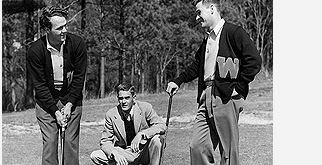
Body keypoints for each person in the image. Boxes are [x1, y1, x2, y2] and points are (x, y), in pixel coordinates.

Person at [166, 0, 262, 165]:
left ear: (211, 9)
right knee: (197, 146)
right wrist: (178, 80)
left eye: (199, 12)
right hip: (206, 96)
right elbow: (197, 65)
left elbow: (254, 61)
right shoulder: (208, 39)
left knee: (228, 151)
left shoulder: (234, 32)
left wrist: (238, 87)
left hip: (227, 96)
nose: (197, 18)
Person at [26, 6, 87, 165]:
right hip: (46, 102)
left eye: (66, 25)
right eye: (59, 28)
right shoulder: (35, 51)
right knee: (51, 143)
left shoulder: (77, 44)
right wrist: (55, 111)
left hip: (71, 98)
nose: (64, 30)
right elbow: (40, 86)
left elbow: (79, 77)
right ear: (47, 29)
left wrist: (69, 105)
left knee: (70, 143)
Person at [90, 83, 167, 165]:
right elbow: (105, 141)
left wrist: (142, 134)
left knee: (157, 139)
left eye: (127, 98)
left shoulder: (145, 107)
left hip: (144, 152)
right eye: (121, 98)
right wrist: (114, 153)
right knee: (95, 155)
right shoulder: (111, 114)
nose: (123, 102)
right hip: (125, 153)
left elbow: (161, 126)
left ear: (134, 98)